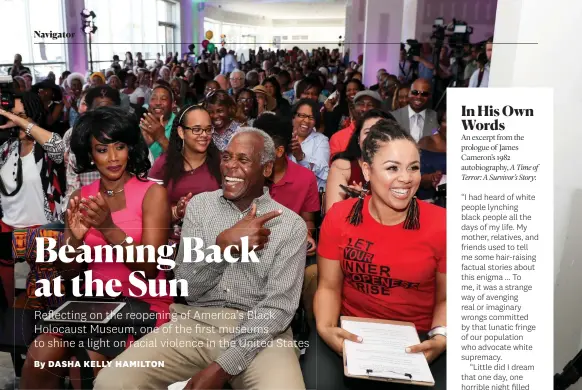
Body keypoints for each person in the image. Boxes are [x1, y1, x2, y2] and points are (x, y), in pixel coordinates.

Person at [94, 128, 307, 390]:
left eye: (243, 160)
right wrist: (223, 249)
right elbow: (187, 288)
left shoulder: (290, 225)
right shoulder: (201, 207)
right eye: (227, 156)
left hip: (262, 335)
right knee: (111, 383)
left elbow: (278, 309)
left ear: (265, 169)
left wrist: (222, 368)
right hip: (195, 322)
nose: (230, 166)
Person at [20, 106, 173, 389]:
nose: (113, 158)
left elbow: (150, 268)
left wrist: (107, 228)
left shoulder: (153, 193)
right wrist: (75, 240)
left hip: (141, 303)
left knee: (84, 364)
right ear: (91, 155)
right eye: (103, 149)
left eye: (120, 147)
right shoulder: (82, 197)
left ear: (130, 148)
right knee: (40, 354)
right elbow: (67, 273)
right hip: (94, 302)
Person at [303, 119, 446, 390]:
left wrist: (440, 338)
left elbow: (447, 298)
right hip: (353, 333)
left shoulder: (442, 223)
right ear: (367, 171)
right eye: (392, 168)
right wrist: (325, 328)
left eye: (413, 168)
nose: (406, 178)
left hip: (420, 338)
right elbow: (329, 287)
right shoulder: (340, 217)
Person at [0, 93, 65, 306]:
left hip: (42, 235)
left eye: (21, 116)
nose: (14, 121)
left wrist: (22, 123)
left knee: (45, 308)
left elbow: (59, 146)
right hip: (7, 236)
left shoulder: (45, 148)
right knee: (10, 313)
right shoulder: (5, 149)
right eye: (12, 115)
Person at [148, 105, 221, 239]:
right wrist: (177, 212)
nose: (204, 135)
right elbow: (148, 213)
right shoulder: (164, 164)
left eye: (208, 129)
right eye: (197, 129)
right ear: (181, 132)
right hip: (171, 246)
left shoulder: (222, 163)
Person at [253, 114, 319, 257]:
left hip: (289, 250)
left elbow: (307, 220)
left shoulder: (305, 178)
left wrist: (307, 236)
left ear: (279, 151)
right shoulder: (249, 175)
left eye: (259, 149)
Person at [325, 109, 393, 212]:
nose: (372, 137)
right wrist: (354, 201)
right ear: (358, 138)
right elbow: (331, 215)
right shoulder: (343, 166)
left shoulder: (401, 168)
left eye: (380, 132)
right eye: (367, 132)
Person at [329, 90, 383, 160]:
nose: (364, 109)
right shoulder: (337, 138)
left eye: (370, 105)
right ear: (353, 108)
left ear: (378, 109)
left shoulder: (385, 134)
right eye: (360, 104)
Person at [289, 98, 330, 190]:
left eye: (311, 117)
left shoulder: (321, 140)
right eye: (302, 115)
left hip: (309, 195)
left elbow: (324, 173)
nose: (306, 121)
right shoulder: (283, 136)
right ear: (293, 117)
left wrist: (301, 157)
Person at [391, 78, 437, 142]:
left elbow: (436, 139)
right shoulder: (394, 116)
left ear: (429, 96)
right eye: (415, 92)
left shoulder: (435, 117)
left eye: (424, 94)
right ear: (409, 93)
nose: (419, 97)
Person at [140, 84, 176, 160]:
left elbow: (183, 162)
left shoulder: (181, 125)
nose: (158, 103)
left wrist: (161, 138)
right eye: (153, 98)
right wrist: (144, 144)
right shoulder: (143, 125)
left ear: (172, 104)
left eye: (163, 99)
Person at [418, 109, 446, 204]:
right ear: (440, 123)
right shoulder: (426, 142)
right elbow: (416, 175)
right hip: (428, 202)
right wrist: (431, 177)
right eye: (446, 121)